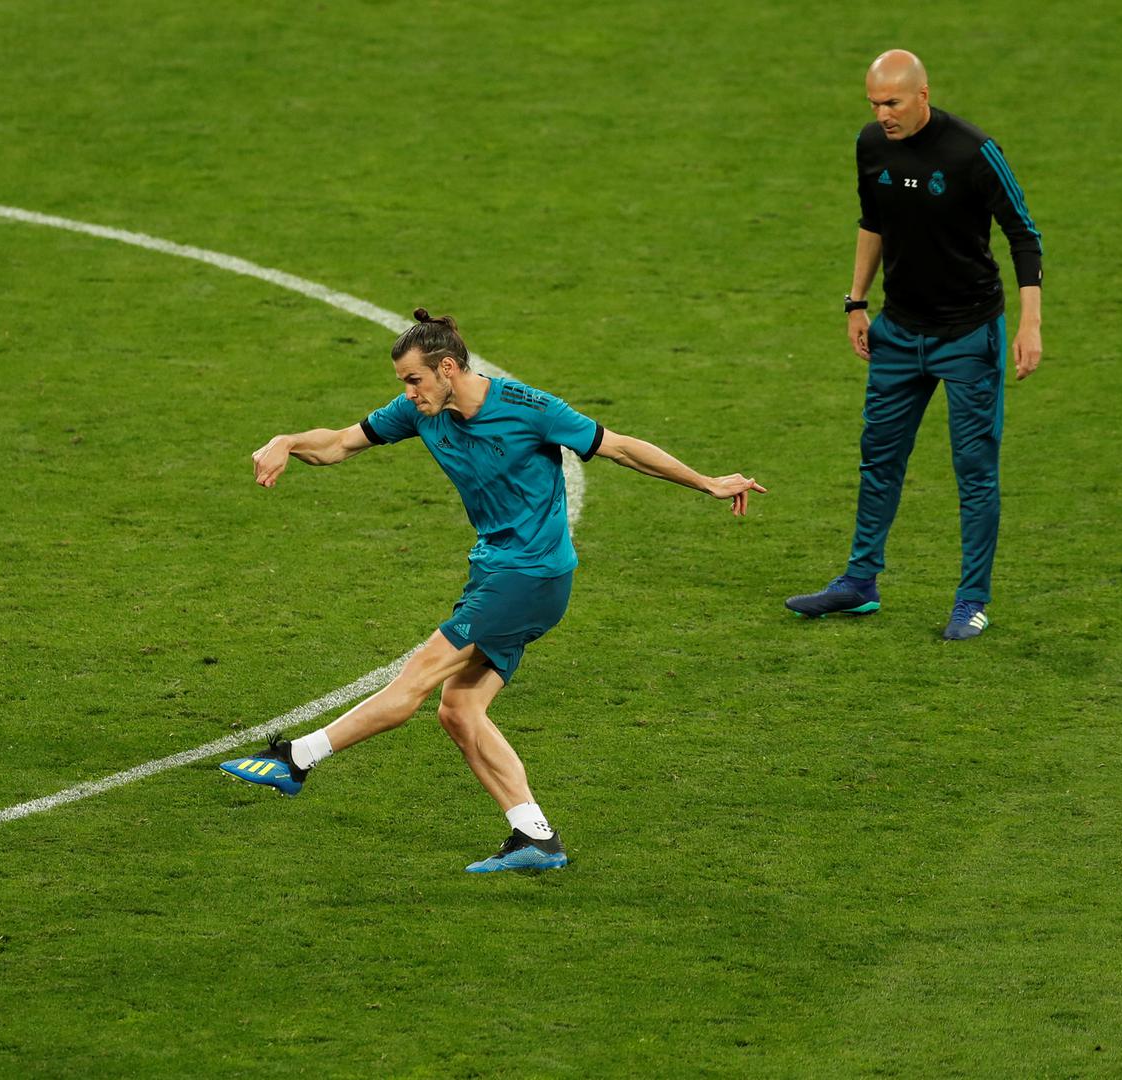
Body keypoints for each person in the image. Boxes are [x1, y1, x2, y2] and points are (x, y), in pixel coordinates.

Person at [220, 310, 764, 872]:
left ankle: (296, 758)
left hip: (531, 576)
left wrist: (705, 482)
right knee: (459, 710)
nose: (407, 393)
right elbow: (338, 443)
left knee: (418, 676)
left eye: (414, 380)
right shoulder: (420, 412)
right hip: (496, 571)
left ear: (447, 369)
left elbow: (621, 448)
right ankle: (535, 838)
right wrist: (286, 442)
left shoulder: (530, 409)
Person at [785, 49, 1043, 639]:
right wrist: (856, 302)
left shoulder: (974, 152)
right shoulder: (871, 145)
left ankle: (972, 600)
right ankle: (859, 582)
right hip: (898, 333)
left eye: (893, 103)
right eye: (874, 103)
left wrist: (1029, 325)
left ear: (922, 95)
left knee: (974, 473)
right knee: (878, 459)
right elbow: (872, 222)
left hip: (968, 335)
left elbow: (1024, 236)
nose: (883, 115)